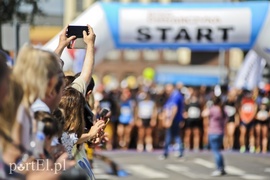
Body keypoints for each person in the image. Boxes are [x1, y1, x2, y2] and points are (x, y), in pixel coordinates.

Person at [202, 96, 227, 176]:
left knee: (216, 152)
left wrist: (208, 106)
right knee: (218, 150)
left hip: (213, 132)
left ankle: (219, 168)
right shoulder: (223, 109)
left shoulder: (213, 109)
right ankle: (222, 167)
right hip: (221, 132)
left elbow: (203, 114)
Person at [159, 83, 184, 159]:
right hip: (172, 119)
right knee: (171, 136)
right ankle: (166, 152)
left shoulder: (176, 96)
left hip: (175, 120)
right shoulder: (171, 96)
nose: (166, 90)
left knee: (175, 136)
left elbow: (174, 108)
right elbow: (167, 108)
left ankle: (178, 151)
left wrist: (170, 120)